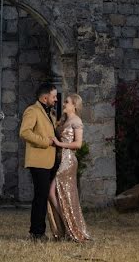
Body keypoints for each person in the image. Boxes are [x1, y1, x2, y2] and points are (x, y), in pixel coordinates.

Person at [46, 93, 91, 242]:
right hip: (61, 159)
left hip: (68, 160)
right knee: (61, 195)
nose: (63, 104)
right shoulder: (65, 120)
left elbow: (78, 144)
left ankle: (71, 225)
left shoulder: (77, 121)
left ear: (74, 105)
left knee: (52, 191)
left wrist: (59, 144)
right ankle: (67, 227)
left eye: (67, 102)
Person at [19, 82, 60, 241]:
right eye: (54, 96)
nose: (56, 99)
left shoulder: (50, 114)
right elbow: (25, 132)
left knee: (44, 196)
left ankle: (43, 231)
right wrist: (45, 142)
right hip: (38, 162)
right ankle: (36, 233)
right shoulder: (32, 110)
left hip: (50, 161)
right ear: (45, 97)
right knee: (40, 197)